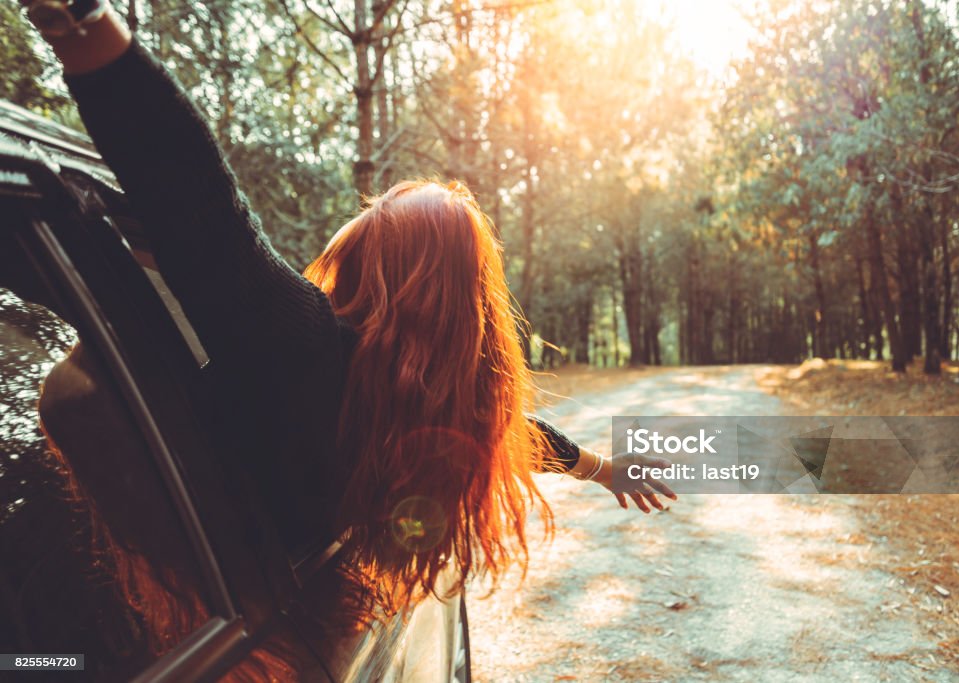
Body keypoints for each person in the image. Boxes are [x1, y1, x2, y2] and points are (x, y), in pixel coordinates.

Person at [23, 0, 676, 626]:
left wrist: (79, 22)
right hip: (268, 616)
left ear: (376, 259)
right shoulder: (406, 404)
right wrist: (603, 469)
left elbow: (195, 193)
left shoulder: (303, 342)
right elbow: (512, 428)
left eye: (369, 219)